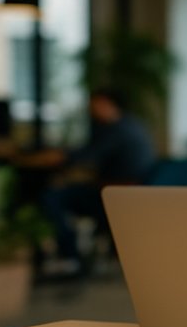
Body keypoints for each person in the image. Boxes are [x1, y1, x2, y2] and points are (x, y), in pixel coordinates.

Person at [40, 88, 157, 275]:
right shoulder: (133, 125)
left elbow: (87, 156)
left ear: (107, 104)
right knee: (65, 193)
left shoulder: (117, 130)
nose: (91, 109)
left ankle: (69, 256)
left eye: (94, 104)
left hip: (115, 195)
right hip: (129, 194)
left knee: (52, 198)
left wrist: (56, 158)